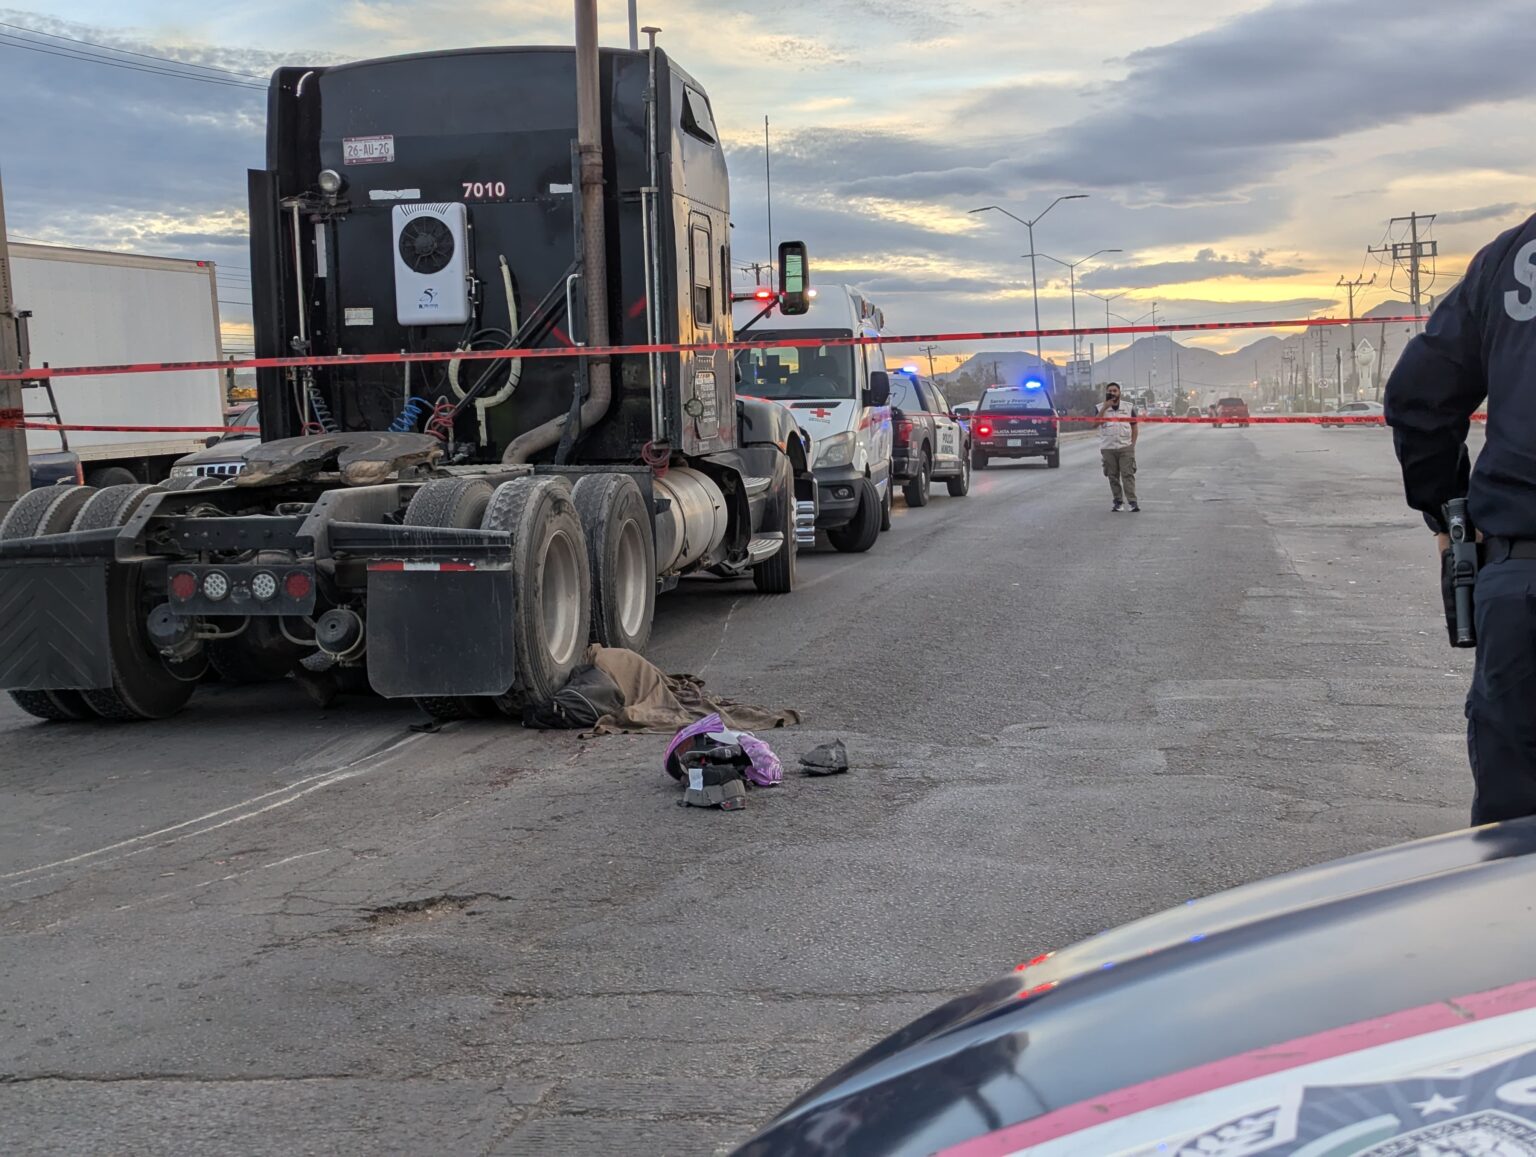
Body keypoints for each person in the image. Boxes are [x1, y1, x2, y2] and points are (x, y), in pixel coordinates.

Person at [1384, 210, 1536, 826]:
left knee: (1514, 846)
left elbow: (1419, 398)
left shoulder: (1510, 259)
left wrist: (1451, 518)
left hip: (1522, 580)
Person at [1095, 381, 1140, 512]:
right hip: (1108, 448)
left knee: (1128, 474)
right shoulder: (1099, 408)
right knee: (1113, 476)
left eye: (1115, 391)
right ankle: (1118, 501)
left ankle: (1132, 502)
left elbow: (1134, 427)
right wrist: (1104, 408)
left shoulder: (1128, 407)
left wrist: (1132, 444)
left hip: (1125, 447)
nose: (1112, 393)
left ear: (1119, 392)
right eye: (1110, 391)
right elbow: (1094, 424)